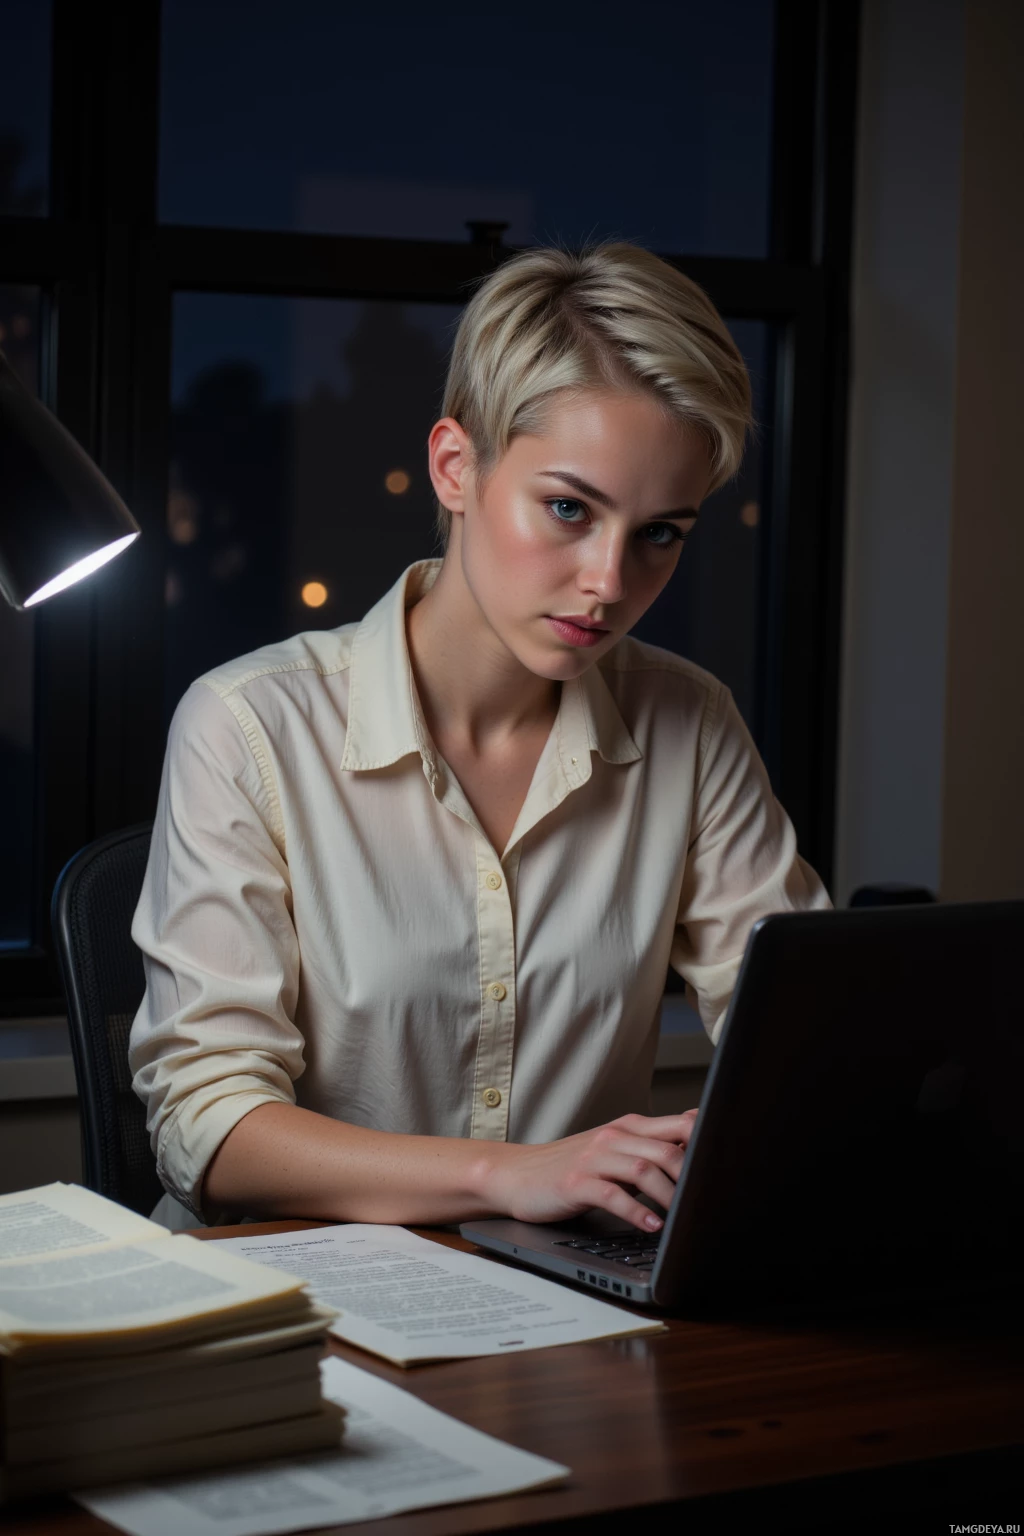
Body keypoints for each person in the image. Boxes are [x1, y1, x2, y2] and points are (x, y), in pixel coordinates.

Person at [130, 242, 830, 1234]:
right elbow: (206, 1126)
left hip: (567, 1316)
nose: (609, 580)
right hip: (288, 1313)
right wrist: (510, 1175)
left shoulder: (691, 721)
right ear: (456, 467)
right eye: (567, 509)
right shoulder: (248, 726)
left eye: (660, 533)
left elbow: (803, 1036)